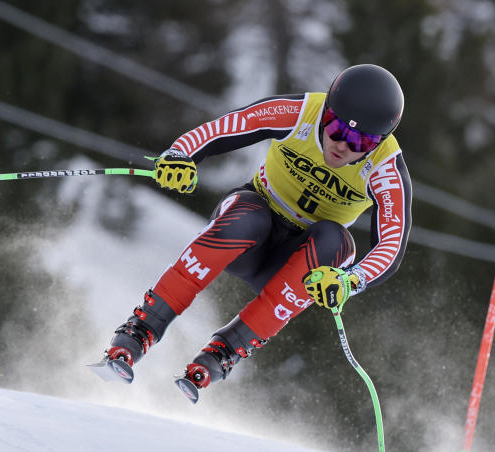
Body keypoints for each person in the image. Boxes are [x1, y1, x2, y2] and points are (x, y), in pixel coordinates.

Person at [96, 64, 413, 402]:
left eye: (359, 141)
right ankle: (142, 327)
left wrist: (350, 280)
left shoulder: (385, 168)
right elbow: (225, 127)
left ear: (378, 142)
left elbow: (392, 244)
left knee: (336, 243)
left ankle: (225, 350)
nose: (341, 145)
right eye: (335, 128)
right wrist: (180, 156)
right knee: (250, 217)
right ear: (326, 113)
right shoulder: (300, 112)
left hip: (295, 262)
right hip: (252, 226)